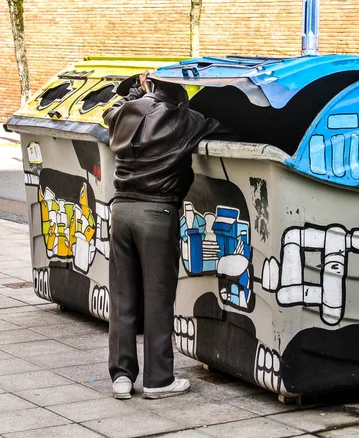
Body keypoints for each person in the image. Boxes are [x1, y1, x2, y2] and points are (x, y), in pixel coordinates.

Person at [103, 71, 233, 400]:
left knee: (122, 297)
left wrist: (133, 93)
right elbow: (220, 125)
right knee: (158, 299)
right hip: (156, 214)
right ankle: (158, 380)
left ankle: (121, 377)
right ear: (180, 98)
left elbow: (108, 112)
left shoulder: (126, 112)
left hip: (120, 210)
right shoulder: (183, 119)